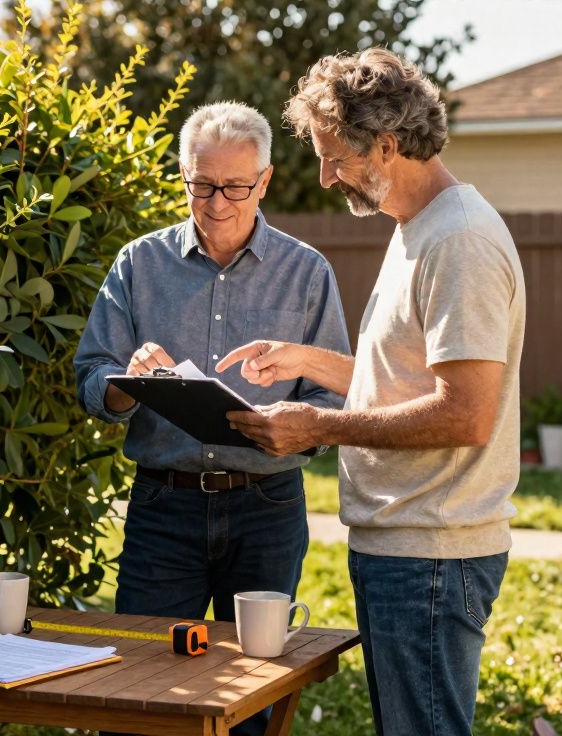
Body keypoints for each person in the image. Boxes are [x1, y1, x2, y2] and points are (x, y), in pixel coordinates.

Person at [218, 49, 526, 736]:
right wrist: (307, 362)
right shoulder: (416, 229)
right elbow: (403, 379)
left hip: (433, 554)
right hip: (405, 547)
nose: (327, 176)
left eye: (336, 157)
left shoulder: (460, 242)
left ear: (387, 142)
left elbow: (466, 413)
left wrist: (319, 427)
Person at [73, 101, 350, 736]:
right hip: (161, 511)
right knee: (142, 687)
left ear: (266, 181)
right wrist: (129, 386)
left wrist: (292, 422)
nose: (217, 201)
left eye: (234, 187)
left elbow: (334, 403)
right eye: (201, 184)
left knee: (250, 695)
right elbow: (92, 380)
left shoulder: (308, 273)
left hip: (267, 509)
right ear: (183, 174)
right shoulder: (140, 265)